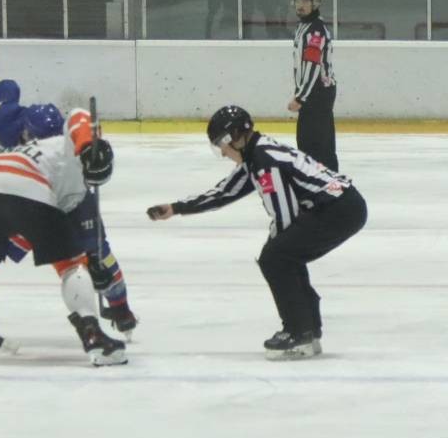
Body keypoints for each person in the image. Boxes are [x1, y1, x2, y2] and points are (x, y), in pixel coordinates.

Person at [145, 106, 365, 360]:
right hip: (342, 205)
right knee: (283, 254)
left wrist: (276, 247)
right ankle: (308, 330)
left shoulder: (264, 162)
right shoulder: (256, 154)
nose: (223, 153)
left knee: (276, 257)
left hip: (340, 210)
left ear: (235, 137)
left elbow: (285, 216)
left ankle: (299, 332)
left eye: (222, 146)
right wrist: (176, 208)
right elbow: (225, 192)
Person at [0, 105, 125, 366]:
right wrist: (88, 145)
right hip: (26, 185)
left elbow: (27, 230)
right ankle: (92, 335)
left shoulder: (38, 154)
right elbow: (78, 114)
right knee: (71, 267)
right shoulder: (67, 148)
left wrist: (90, 261)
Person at [0, 80, 139, 339]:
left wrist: (92, 259)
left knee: (98, 253)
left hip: (63, 202)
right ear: (24, 130)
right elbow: (4, 90)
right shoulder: (7, 119)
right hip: (23, 201)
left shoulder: (68, 149)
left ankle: (121, 308)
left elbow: (92, 161)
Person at [288, 0, 338, 170]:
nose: (300, 5)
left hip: (317, 94)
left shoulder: (315, 30)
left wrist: (300, 97)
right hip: (312, 94)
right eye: (297, 0)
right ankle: (317, 181)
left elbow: (312, 65)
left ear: (315, 3)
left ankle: (330, 182)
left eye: (305, 1)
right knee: (307, 145)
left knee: (318, 146)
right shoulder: (304, 26)